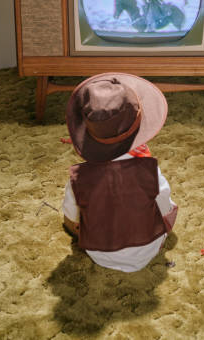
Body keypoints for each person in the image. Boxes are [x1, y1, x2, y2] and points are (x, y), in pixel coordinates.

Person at [62, 72, 178, 273]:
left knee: (72, 215)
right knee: (167, 207)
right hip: (148, 247)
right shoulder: (151, 171)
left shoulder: (78, 178)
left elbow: (71, 217)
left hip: (98, 252)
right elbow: (165, 207)